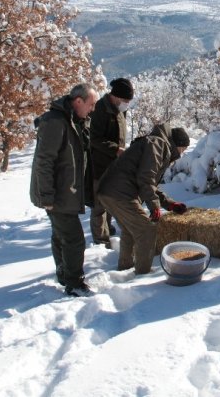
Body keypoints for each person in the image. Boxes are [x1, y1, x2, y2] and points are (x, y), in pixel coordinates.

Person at [30, 83, 99, 297]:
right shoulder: (55, 122)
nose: (93, 109)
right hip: (58, 193)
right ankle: (74, 283)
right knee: (74, 238)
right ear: (78, 101)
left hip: (67, 191)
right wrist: (47, 196)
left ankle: (64, 273)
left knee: (61, 236)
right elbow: (44, 161)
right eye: (91, 104)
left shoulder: (74, 121)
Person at [97, 123, 190, 274]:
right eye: (183, 149)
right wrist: (154, 206)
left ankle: (124, 269)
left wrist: (170, 204)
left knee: (129, 230)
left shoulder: (156, 143)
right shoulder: (158, 144)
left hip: (110, 191)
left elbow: (149, 181)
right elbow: (146, 178)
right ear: (178, 145)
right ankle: (143, 273)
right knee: (146, 229)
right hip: (120, 193)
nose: (181, 153)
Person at [89, 77, 134, 247]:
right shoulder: (100, 109)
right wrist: (116, 149)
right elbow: (95, 139)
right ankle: (100, 239)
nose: (127, 104)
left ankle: (108, 229)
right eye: (125, 100)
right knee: (99, 203)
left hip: (115, 164)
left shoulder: (119, 108)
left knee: (109, 199)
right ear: (115, 96)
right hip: (100, 164)